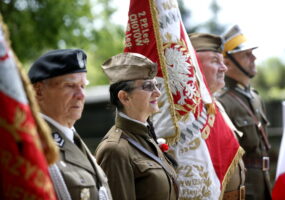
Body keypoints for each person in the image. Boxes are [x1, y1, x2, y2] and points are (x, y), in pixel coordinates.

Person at [28, 49, 112, 200]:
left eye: (83, 86)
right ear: (39, 91)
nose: (80, 95)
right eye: (70, 85)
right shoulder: (33, 145)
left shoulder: (73, 140)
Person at [95, 52, 179, 200]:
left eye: (156, 85)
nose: (157, 93)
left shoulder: (146, 137)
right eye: (148, 86)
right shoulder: (115, 150)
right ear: (124, 97)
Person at [217, 25, 272, 200]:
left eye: (252, 53)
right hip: (243, 190)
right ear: (227, 64)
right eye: (246, 54)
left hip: (263, 185)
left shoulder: (255, 97)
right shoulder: (221, 102)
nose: (254, 57)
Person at [189, 33, 246, 200]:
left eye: (223, 61)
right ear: (196, 66)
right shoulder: (187, 116)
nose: (224, 68)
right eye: (215, 61)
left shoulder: (215, 105)